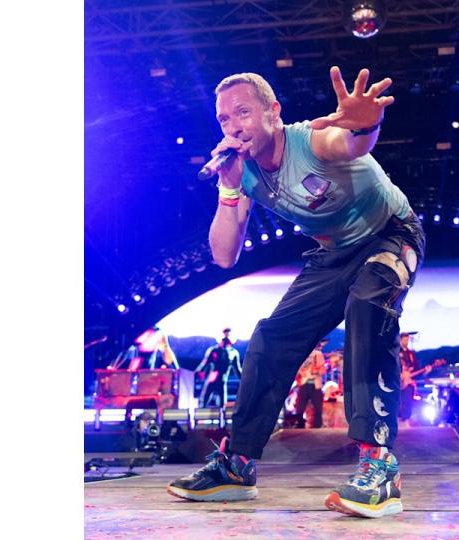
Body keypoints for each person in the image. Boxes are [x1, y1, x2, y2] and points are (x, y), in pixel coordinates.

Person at [166, 67, 425, 519]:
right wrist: (228, 188)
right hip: (332, 254)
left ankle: (379, 466)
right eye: (224, 119)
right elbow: (224, 255)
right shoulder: (242, 172)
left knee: (368, 306)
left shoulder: (311, 139)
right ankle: (237, 465)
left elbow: (350, 142)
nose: (233, 126)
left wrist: (365, 123)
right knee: (271, 337)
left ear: (273, 113)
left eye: (243, 112)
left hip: (389, 234)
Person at [193, 330, 240, 407]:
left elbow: (237, 370)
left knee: (222, 406)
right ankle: (200, 418)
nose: (226, 337)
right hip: (211, 380)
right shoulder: (213, 350)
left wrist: (245, 380)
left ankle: (220, 418)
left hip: (222, 381)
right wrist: (197, 372)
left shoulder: (233, 353)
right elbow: (204, 363)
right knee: (203, 403)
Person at [292, 338, 329, 428]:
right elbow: (297, 368)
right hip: (304, 383)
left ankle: (317, 426)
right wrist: (302, 372)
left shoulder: (318, 354)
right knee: (300, 407)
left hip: (315, 384)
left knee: (318, 407)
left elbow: (323, 369)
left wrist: (314, 372)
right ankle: (299, 425)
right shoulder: (302, 353)